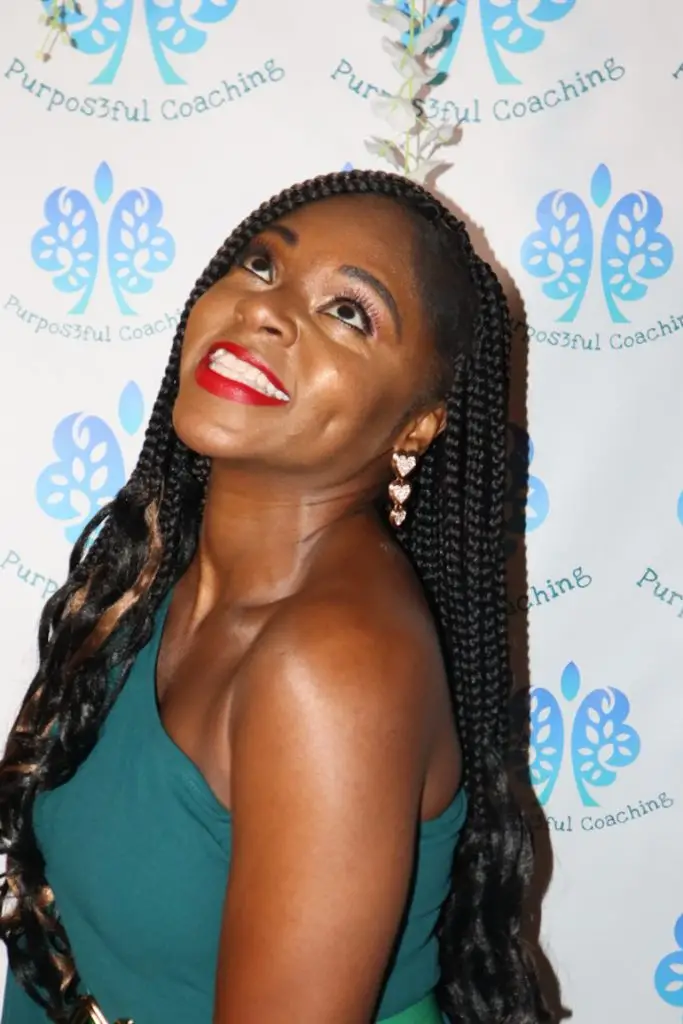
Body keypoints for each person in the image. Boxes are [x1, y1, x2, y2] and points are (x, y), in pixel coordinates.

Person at [0, 169, 547, 1024]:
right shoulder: (161, 575)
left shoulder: (332, 665)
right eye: (261, 265)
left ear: (418, 424)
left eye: (348, 312)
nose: (267, 310)